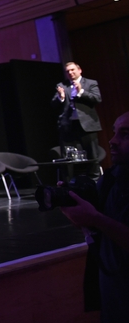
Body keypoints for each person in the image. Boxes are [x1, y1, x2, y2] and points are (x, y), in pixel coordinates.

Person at [59, 112, 129, 322]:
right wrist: (77, 212)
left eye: (125, 134)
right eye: (115, 132)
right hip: (115, 297)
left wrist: (95, 218)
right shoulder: (111, 178)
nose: (112, 140)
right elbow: (96, 224)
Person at [52, 62, 102, 168]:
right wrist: (61, 97)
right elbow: (53, 104)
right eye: (68, 71)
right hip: (69, 126)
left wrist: (81, 92)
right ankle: (70, 182)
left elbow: (97, 99)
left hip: (87, 126)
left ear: (79, 70)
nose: (70, 72)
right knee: (69, 158)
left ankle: (95, 181)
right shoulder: (62, 86)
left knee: (92, 156)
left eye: (72, 70)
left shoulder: (90, 83)